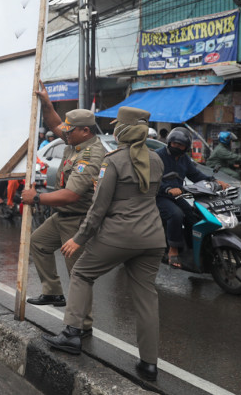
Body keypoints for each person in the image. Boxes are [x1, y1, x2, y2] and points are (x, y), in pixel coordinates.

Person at [45, 106, 166, 382]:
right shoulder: (157, 159)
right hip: (153, 237)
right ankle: (149, 364)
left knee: (81, 273)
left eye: (116, 126)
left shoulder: (113, 161)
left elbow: (98, 208)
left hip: (119, 236)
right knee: (147, 299)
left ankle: (72, 334)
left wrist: (79, 238)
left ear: (123, 129)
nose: (114, 130)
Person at [22, 89, 106, 343]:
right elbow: (55, 124)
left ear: (85, 131)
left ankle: (82, 326)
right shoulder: (74, 140)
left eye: (70, 131)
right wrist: (47, 103)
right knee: (38, 243)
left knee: (78, 274)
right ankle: (53, 292)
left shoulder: (90, 155)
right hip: (62, 216)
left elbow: (71, 195)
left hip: (78, 220)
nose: (64, 134)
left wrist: (36, 198)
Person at [155, 127, 228, 268]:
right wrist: (168, 188)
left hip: (177, 195)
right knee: (176, 214)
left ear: (186, 147)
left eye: (180, 145)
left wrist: (213, 181)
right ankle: (173, 250)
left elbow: (195, 175)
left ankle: (193, 248)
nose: (176, 146)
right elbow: (152, 178)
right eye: (174, 143)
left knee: (193, 216)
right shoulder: (158, 156)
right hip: (159, 196)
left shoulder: (184, 159)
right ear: (169, 142)